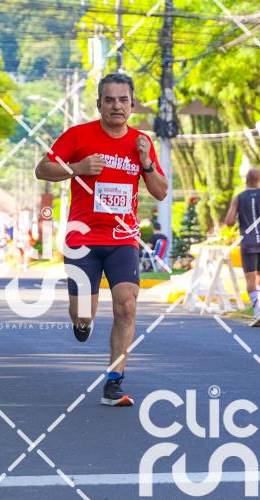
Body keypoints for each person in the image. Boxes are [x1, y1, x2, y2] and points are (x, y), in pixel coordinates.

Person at [35, 72, 168, 406]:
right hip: (83, 239)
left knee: (127, 305)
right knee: (84, 314)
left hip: (123, 238)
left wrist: (147, 163)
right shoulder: (78, 136)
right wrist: (77, 168)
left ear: (132, 104)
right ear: (99, 104)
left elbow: (161, 192)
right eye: (109, 100)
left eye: (123, 100)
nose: (116, 106)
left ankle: (114, 382)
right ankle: (82, 323)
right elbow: (42, 169)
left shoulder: (141, 142)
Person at [225, 167, 260, 327]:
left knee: (250, 278)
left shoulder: (238, 198)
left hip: (248, 241)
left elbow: (229, 222)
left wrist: (241, 216)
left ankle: (257, 311)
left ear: (246, 180)